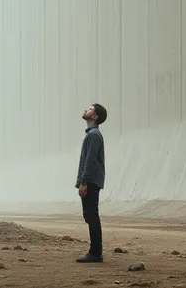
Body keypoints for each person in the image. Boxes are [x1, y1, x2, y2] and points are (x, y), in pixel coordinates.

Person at [75, 103, 107, 263]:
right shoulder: (92, 134)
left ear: (94, 116)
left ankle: (95, 253)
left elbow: (90, 161)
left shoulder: (93, 135)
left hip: (91, 181)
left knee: (92, 215)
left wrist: (84, 182)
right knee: (90, 215)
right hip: (92, 180)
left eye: (89, 109)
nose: (85, 109)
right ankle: (95, 252)